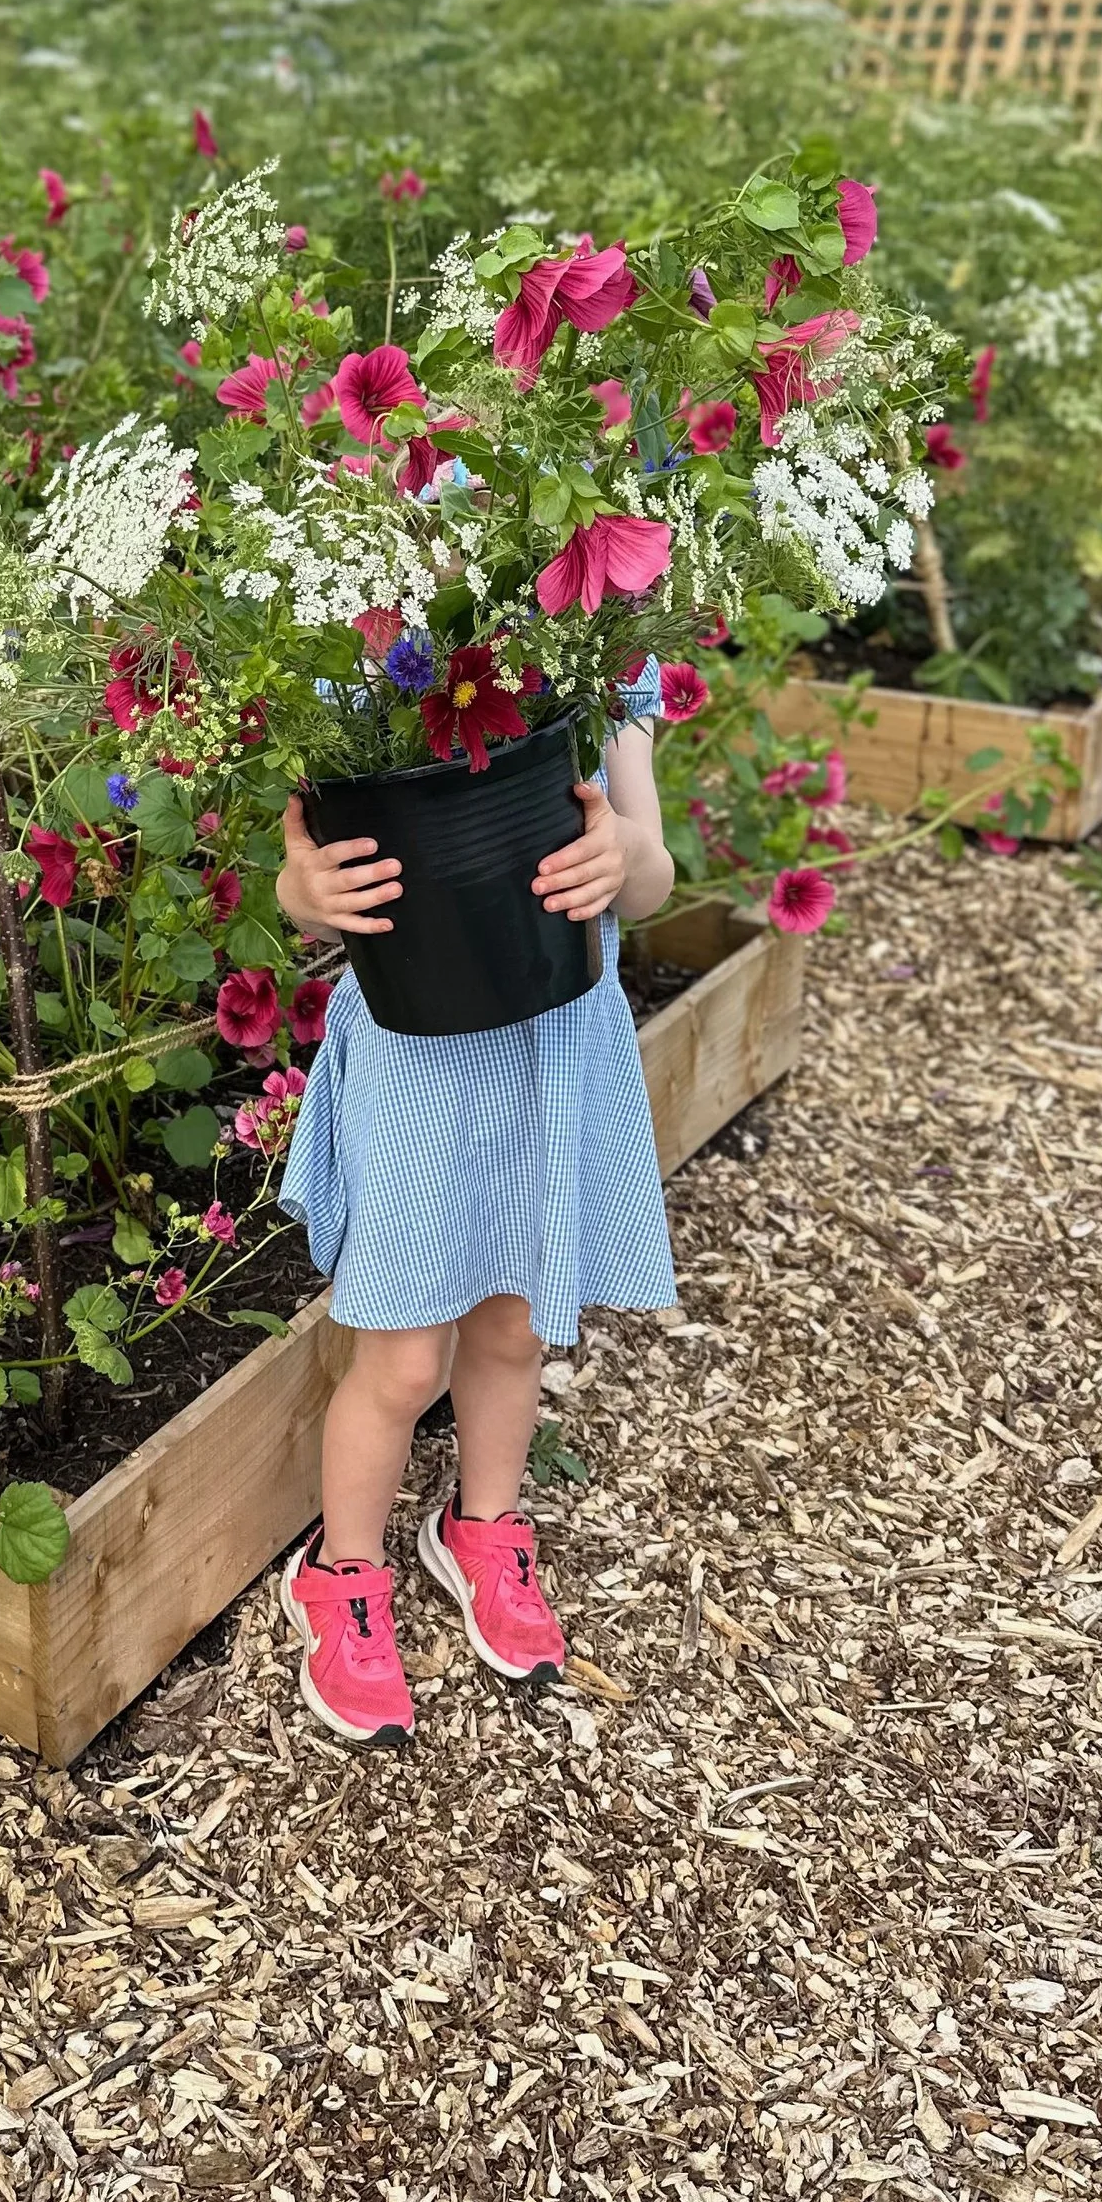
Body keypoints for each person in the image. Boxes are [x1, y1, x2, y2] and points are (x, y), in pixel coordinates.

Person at [270, 661, 676, 1742]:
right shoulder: (372, 661)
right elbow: (306, 870)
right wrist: (306, 896)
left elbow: (653, 876)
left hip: (552, 1039)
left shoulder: (603, 669)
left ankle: (484, 1528)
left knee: (512, 1322)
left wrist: (624, 855)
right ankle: (340, 1574)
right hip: (422, 1059)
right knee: (402, 1360)